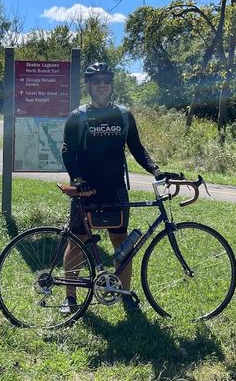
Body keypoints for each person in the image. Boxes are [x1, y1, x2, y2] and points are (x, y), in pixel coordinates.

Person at [58, 62, 164, 314]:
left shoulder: (123, 115)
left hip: (115, 189)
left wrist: (156, 170)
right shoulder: (77, 117)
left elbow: (137, 148)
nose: (102, 85)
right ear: (88, 85)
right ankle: (70, 298)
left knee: (120, 242)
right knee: (78, 241)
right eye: (96, 81)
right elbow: (67, 151)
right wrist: (77, 180)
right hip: (87, 191)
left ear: (112, 84)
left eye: (106, 80)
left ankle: (124, 293)